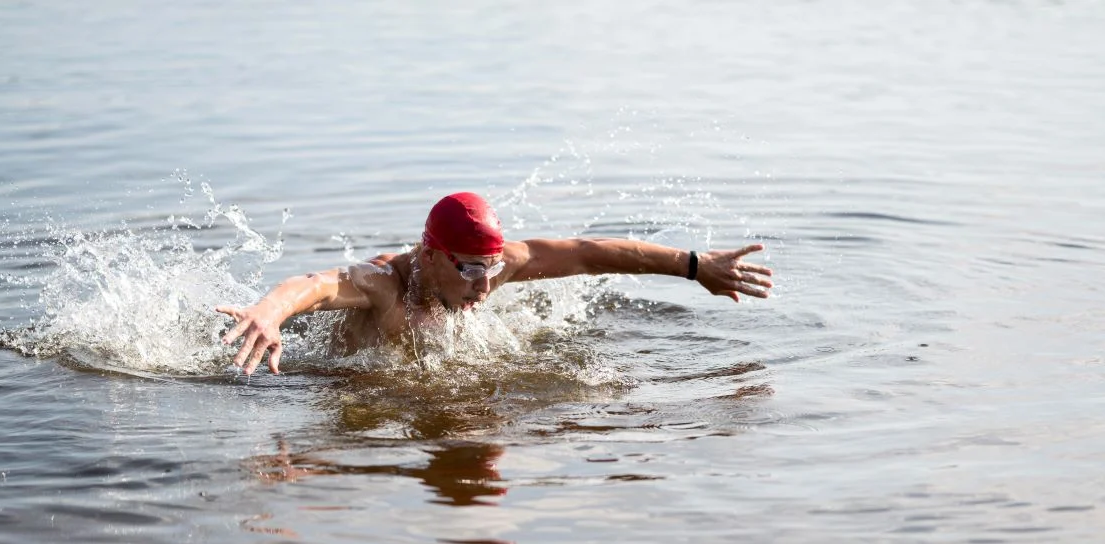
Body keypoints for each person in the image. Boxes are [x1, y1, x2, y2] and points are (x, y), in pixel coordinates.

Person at [217, 192, 773, 375]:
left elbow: (586, 253)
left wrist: (696, 266)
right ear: (431, 255)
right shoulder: (386, 284)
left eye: (493, 269)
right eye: (469, 270)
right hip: (320, 375)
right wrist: (269, 311)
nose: (485, 287)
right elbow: (316, 284)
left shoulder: (488, 265)